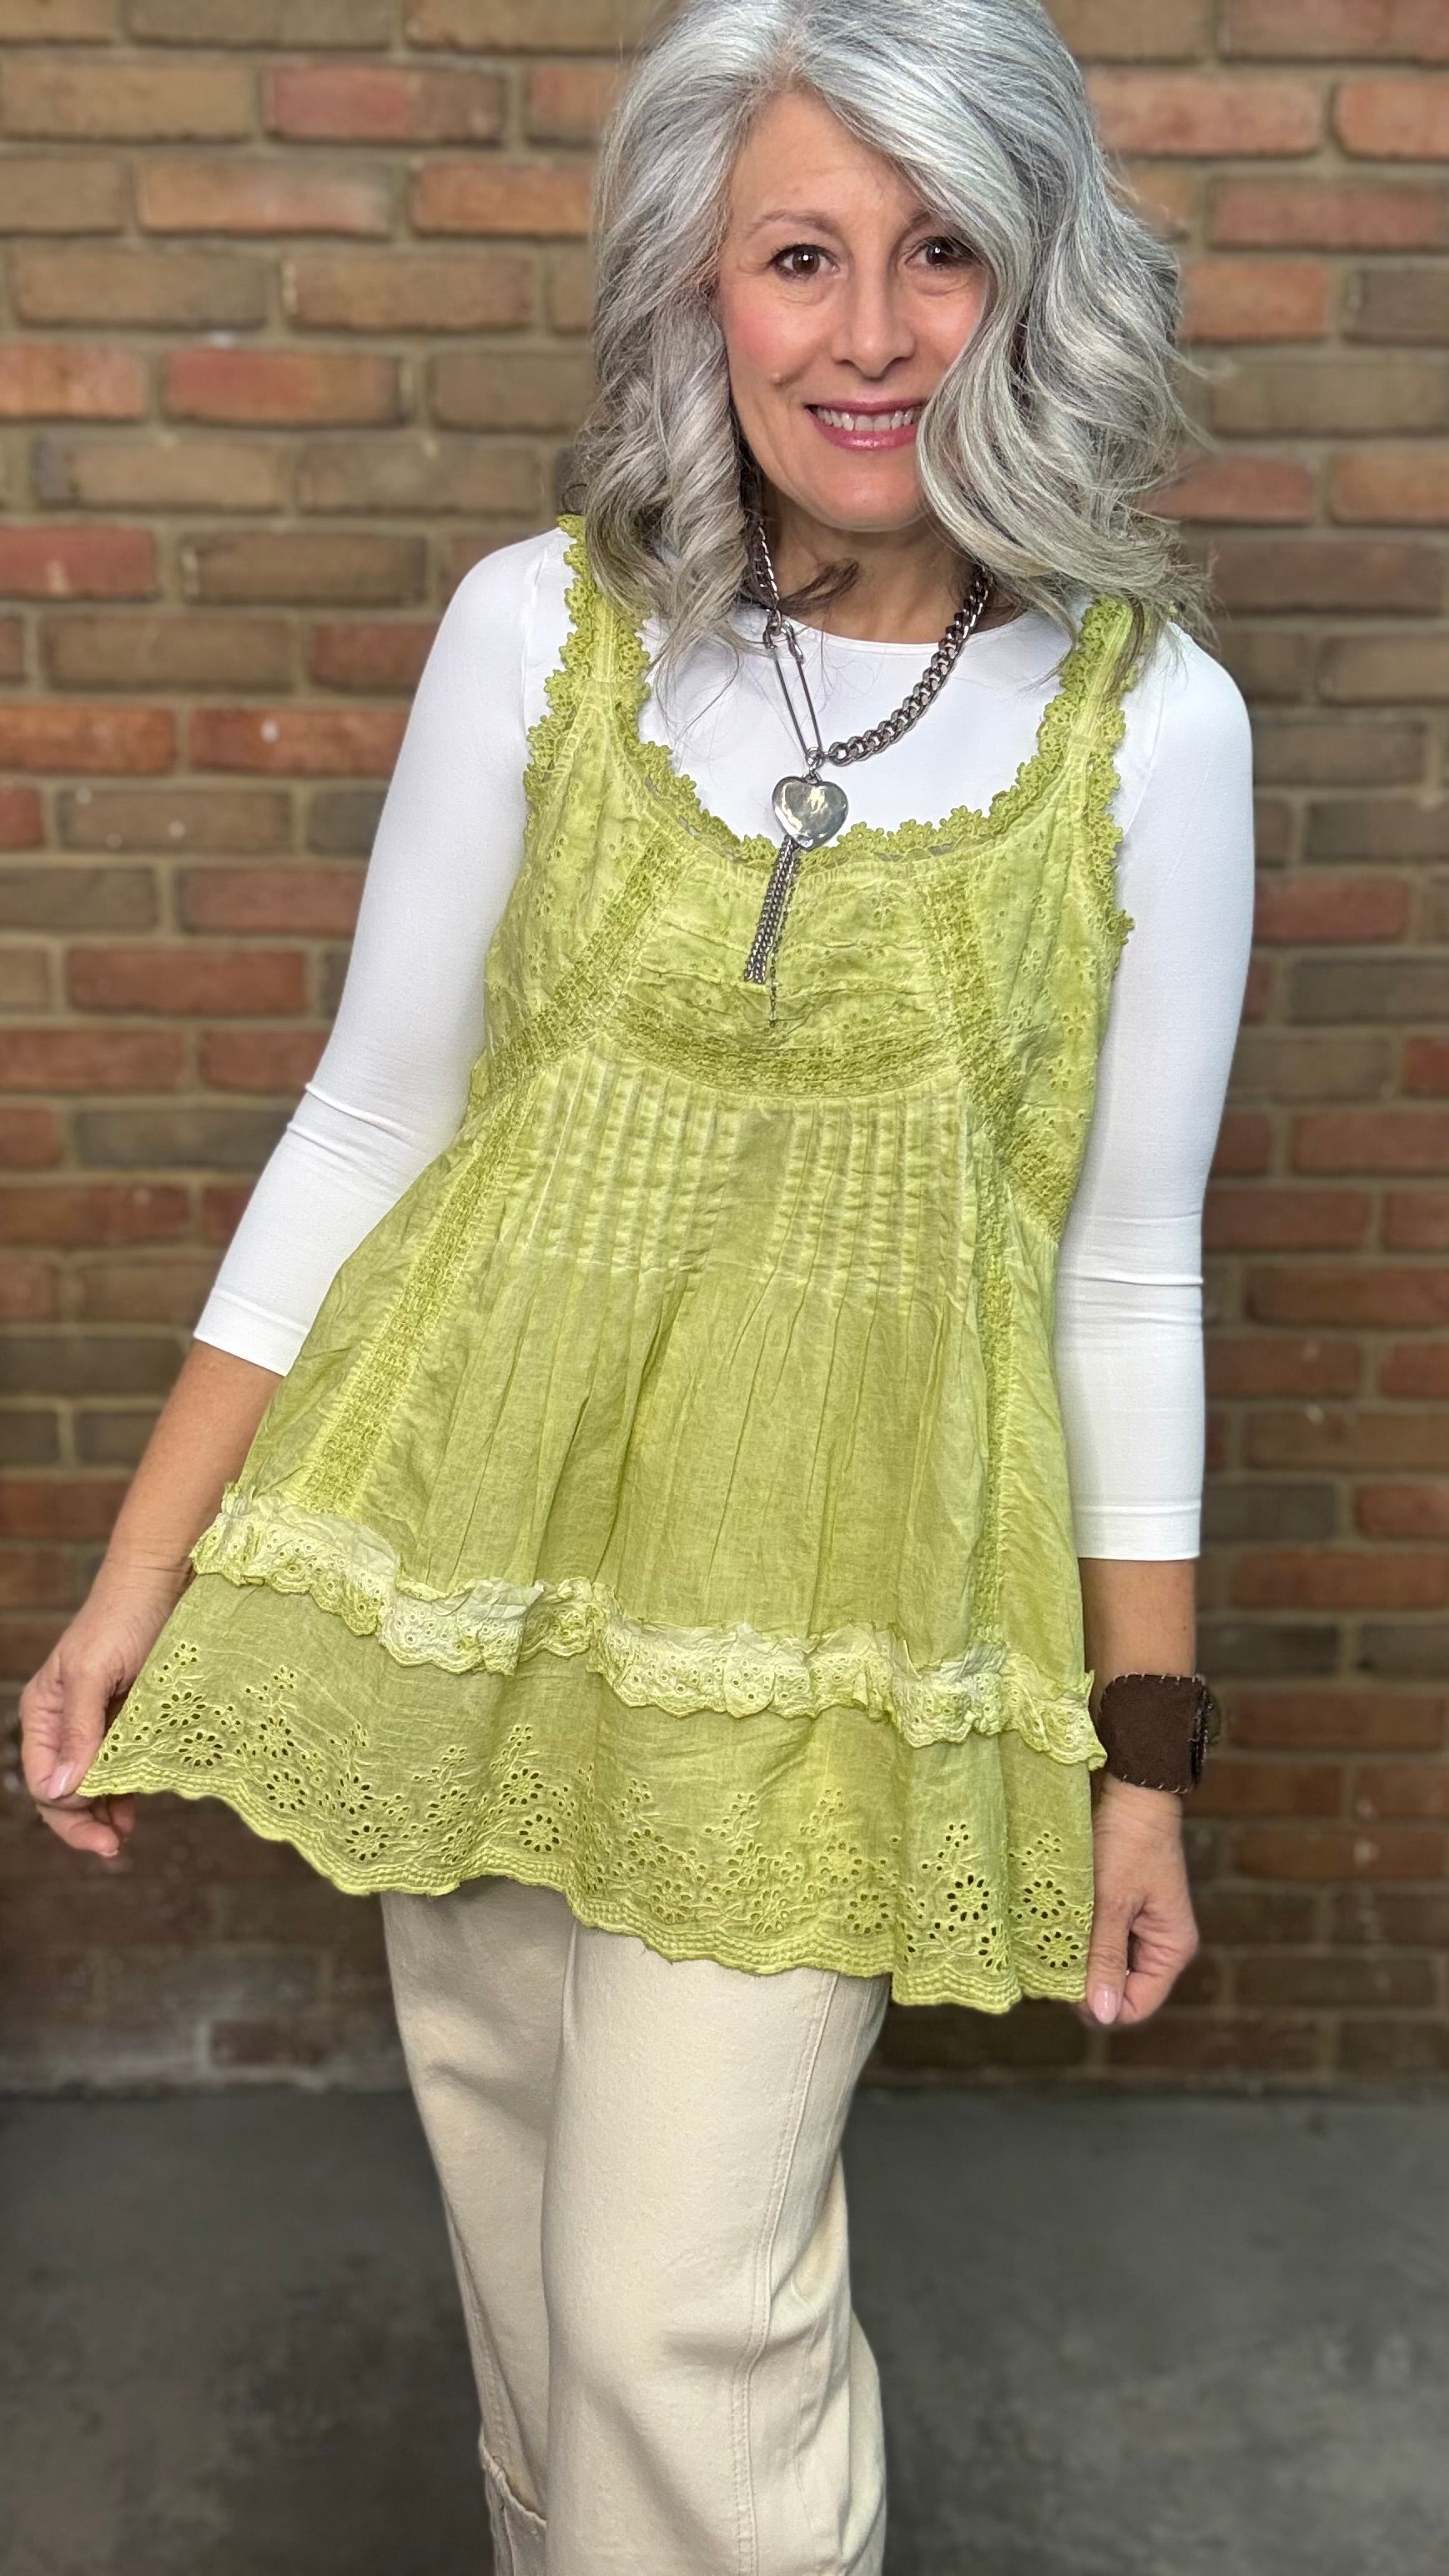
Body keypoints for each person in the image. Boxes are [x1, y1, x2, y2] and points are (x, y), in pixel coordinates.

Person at [21, 0, 1255, 2567]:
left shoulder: (1149, 727)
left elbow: (1123, 1271)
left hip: (826, 1624)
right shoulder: (539, 629)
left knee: (675, 2311)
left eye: (942, 252)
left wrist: (1141, 1757)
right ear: (697, 285)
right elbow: (372, 1121)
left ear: (1039, 284)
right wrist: (139, 1583)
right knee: (526, 2261)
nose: (872, 331)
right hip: (467, 1563)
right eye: (799, 256)